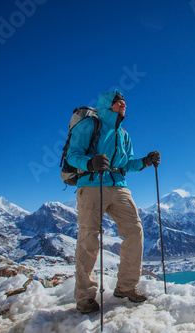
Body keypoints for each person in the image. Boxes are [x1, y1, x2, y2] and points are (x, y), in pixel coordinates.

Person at [67, 89, 160, 314]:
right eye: (118, 102)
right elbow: (72, 155)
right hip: (91, 185)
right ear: (108, 104)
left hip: (118, 186)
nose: (123, 105)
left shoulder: (123, 134)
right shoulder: (90, 125)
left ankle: (126, 287)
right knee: (89, 237)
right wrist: (90, 163)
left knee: (135, 230)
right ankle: (85, 297)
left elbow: (127, 163)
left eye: (124, 102)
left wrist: (145, 161)